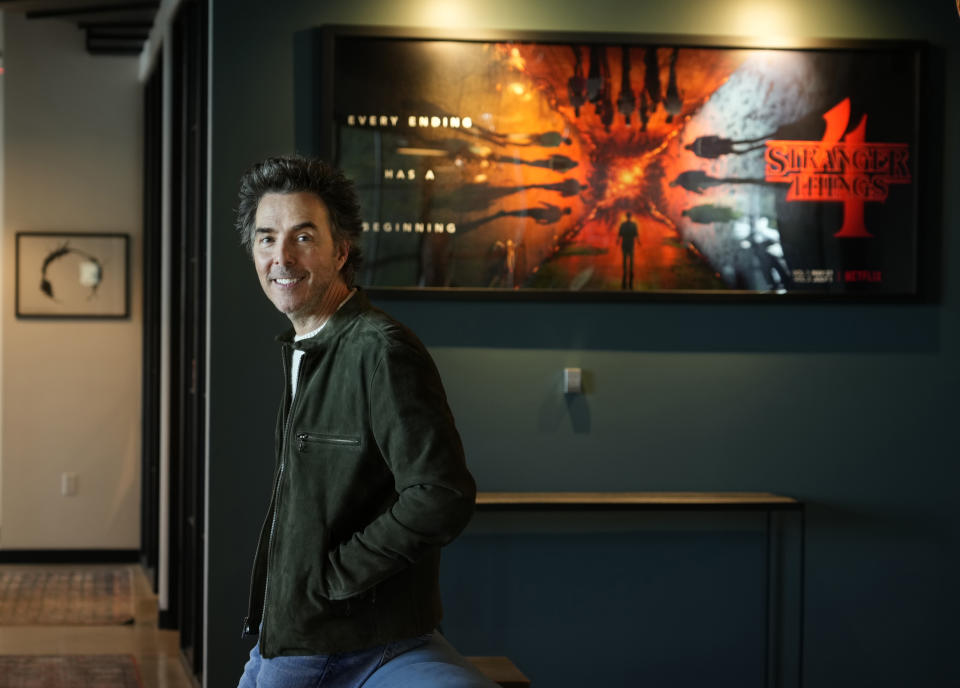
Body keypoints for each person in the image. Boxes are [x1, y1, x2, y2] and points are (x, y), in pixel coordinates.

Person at [234, 155, 494, 688]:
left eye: (302, 237)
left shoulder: (380, 350)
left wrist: (332, 581)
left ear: (341, 250)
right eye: (265, 239)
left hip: (334, 643)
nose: (280, 256)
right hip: (284, 636)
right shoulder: (305, 347)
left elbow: (440, 494)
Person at [618, 211, 639, 289]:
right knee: (630, 257)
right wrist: (638, 241)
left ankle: (626, 270)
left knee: (626, 257)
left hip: (626, 244)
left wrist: (617, 240)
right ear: (629, 216)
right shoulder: (633, 225)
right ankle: (629, 270)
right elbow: (636, 234)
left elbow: (620, 234)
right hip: (629, 244)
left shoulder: (623, 225)